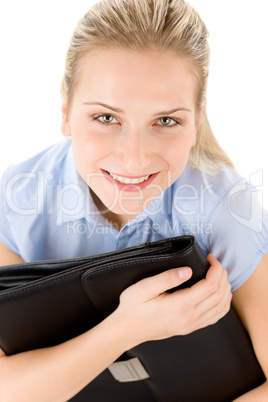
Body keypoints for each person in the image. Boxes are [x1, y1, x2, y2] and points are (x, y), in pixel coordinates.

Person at [0, 0, 267, 400]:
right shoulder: (17, 198)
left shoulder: (226, 211)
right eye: (107, 118)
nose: (134, 158)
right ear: (66, 111)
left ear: (197, 120)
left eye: (166, 121)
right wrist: (125, 329)